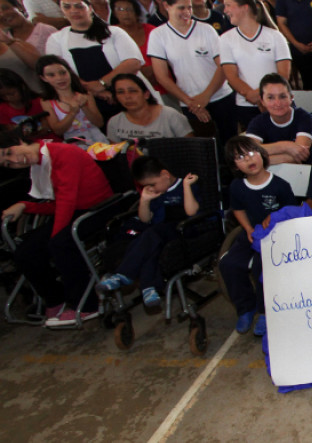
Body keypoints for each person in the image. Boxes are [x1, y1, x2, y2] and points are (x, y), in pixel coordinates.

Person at [1, 133, 113, 327]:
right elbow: (58, 204)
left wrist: (53, 237)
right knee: (25, 251)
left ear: (18, 140)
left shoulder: (63, 153)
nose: (14, 161)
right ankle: (56, 300)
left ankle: (88, 305)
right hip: (76, 210)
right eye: (7, 163)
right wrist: (25, 205)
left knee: (59, 244)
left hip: (99, 208)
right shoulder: (38, 166)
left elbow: (66, 202)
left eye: (9, 152)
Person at [96, 156, 200, 309]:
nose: (152, 188)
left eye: (152, 184)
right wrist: (144, 200)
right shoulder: (156, 193)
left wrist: (186, 186)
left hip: (184, 229)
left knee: (151, 235)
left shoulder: (187, 184)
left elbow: (191, 212)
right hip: (158, 233)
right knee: (150, 244)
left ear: (165, 174)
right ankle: (149, 288)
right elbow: (145, 219)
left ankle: (125, 273)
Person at [221, 135, 295, 335]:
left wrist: (274, 221)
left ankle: (265, 312)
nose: (248, 159)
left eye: (252, 153)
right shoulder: (237, 187)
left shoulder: (280, 186)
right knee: (228, 264)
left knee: (260, 268)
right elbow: (237, 209)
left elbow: (291, 213)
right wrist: (248, 228)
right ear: (235, 166)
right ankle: (246, 308)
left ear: (262, 155)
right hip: (252, 233)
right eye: (240, 157)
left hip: (276, 237)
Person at [148, 0, 236, 146]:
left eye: (189, 8)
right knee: (204, 147)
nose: (187, 12)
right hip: (189, 101)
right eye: (181, 8)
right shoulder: (158, 35)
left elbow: (222, 65)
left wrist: (205, 96)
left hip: (220, 96)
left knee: (230, 143)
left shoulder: (207, 30)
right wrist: (191, 102)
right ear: (166, 5)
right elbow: (161, 76)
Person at [45, 0, 149, 118]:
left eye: (78, 6)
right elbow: (58, 73)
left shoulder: (114, 32)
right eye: (67, 7)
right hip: (87, 102)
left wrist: (101, 84)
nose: (73, 10)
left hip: (126, 96)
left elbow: (133, 62)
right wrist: (95, 92)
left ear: (89, 8)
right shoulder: (56, 39)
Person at [220, 0, 291, 128]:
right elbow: (231, 76)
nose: (225, 10)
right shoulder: (225, 39)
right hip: (246, 105)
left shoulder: (275, 36)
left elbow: (283, 74)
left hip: (278, 103)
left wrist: (264, 97)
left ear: (244, 7)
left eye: (228, 5)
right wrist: (255, 96)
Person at [245, 74, 312, 164]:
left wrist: (259, 159)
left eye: (282, 96)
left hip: (310, 171)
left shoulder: (305, 117)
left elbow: (300, 154)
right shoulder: (258, 122)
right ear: (262, 101)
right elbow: (248, 151)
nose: (277, 103)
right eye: (270, 98)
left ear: (291, 98)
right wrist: (285, 146)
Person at [37, 55, 107, 146]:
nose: (59, 78)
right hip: (75, 146)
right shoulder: (47, 101)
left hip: (99, 142)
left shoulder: (85, 94)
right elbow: (58, 131)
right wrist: (72, 112)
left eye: (63, 73)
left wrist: (84, 106)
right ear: (43, 78)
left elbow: (99, 123)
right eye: (51, 75)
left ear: (69, 72)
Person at [107, 73, 193, 142]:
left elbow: (191, 147)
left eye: (133, 91)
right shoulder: (114, 122)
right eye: (120, 92)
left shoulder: (170, 115)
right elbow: (115, 154)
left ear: (146, 94)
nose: (127, 96)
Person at [0, 0, 51, 93]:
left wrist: (9, 42)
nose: (2, 14)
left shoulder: (14, 42)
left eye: (5, 8)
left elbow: (40, 66)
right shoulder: (7, 37)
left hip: (44, 94)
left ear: (18, 6)